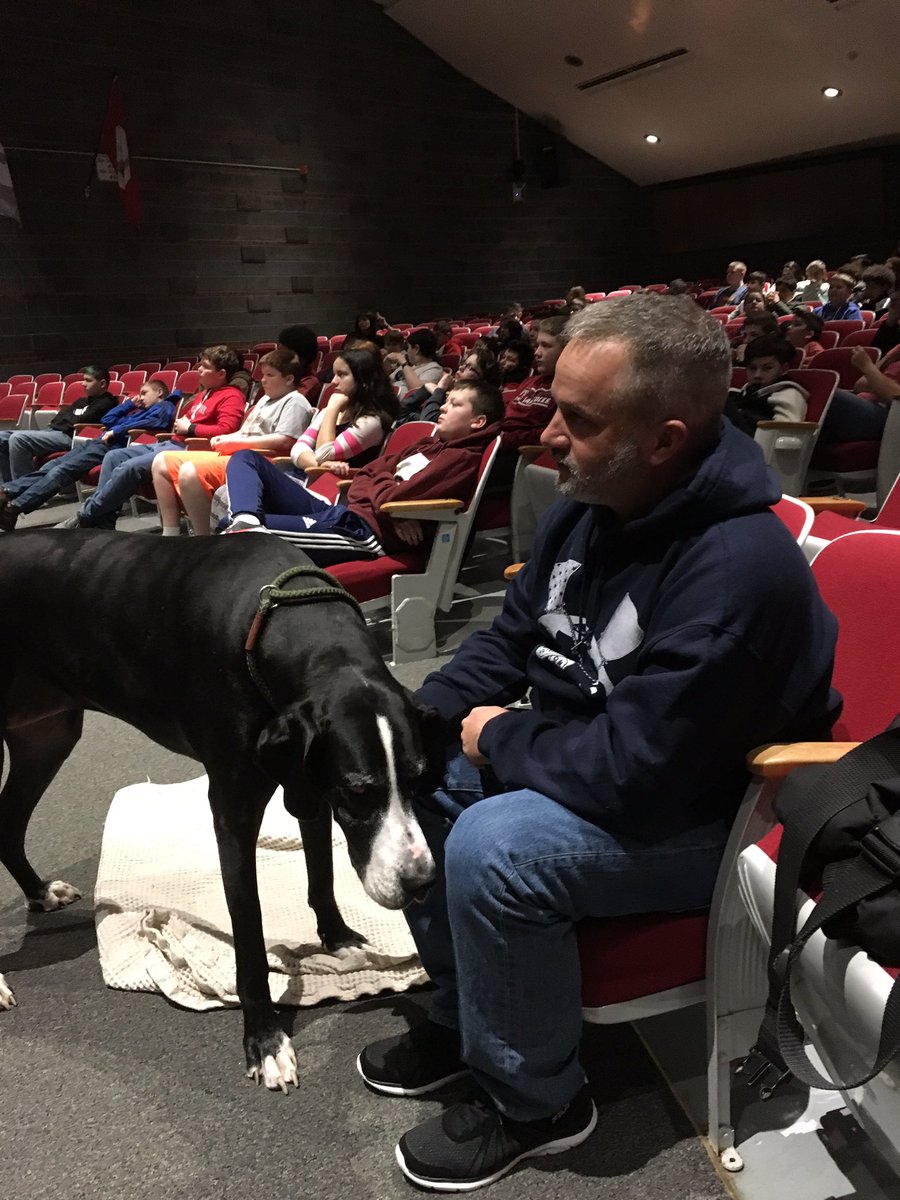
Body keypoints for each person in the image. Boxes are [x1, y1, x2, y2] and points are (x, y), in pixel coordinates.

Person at [353, 293, 840, 1192]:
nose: (546, 438)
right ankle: (474, 1020)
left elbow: (636, 773)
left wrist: (501, 735)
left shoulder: (735, 573)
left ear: (665, 438)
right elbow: (515, 637)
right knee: (411, 780)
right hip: (603, 758)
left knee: (498, 850)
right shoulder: (598, 499)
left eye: (579, 421)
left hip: (717, 811)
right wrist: (418, 719)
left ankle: (536, 1101)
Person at [220, 379, 503, 565]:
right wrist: (389, 502)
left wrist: (388, 504)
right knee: (246, 458)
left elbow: (388, 495)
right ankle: (247, 519)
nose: (441, 406)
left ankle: (244, 534)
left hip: (364, 534)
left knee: (229, 534)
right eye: (447, 400)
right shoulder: (428, 443)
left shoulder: (459, 458)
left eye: (455, 404)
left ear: (478, 421)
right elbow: (369, 473)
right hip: (346, 514)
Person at [57, 345, 245, 530]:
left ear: (221, 374)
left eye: (205, 366)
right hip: (169, 443)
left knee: (129, 468)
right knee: (114, 456)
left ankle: (85, 515)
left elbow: (226, 429)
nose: (199, 369)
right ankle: (103, 523)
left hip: (187, 449)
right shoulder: (203, 394)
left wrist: (191, 428)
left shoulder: (232, 396)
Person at [150, 348, 315, 536]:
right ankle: (170, 533)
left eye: (270, 375)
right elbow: (245, 432)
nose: (263, 380)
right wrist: (229, 438)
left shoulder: (296, 401)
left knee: (189, 471)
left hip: (259, 463)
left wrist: (237, 444)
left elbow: (285, 441)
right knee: (161, 461)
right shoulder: (265, 400)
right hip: (239, 454)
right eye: (263, 375)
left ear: (289, 379)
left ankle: (204, 537)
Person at [0, 380, 174, 531]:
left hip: (114, 447)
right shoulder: (136, 410)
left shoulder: (165, 406)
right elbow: (106, 420)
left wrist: (116, 431)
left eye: (144, 393)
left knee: (62, 471)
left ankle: (14, 507)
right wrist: (128, 405)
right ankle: (9, 492)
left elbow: (157, 422)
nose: (141, 397)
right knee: (52, 466)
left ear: (159, 392)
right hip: (98, 443)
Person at [0, 365, 116, 483]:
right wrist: (69, 419)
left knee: (18, 439)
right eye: (83, 379)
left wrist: (67, 420)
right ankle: (4, 487)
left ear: (102, 384)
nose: (83, 384)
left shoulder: (107, 402)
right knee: (1, 437)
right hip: (55, 432)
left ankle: (20, 488)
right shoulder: (81, 401)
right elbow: (59, 417)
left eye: (88, 380)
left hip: (71, 436)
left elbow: (80, 420)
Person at [724, 334, 808, 436]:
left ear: (784, 369)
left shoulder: (788, 394)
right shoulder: (745, 391)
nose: (757, 375)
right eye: (752, 368)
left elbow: (786, 434)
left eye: (767, 368)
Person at [819, 343, 900, 444]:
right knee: (816, 392)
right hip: (870, 404)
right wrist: (882, 386)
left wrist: (868, 367)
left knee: (826, 398)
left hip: (892, 417)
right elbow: (860, 384)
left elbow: (895, 397)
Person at [390, 330, 443, 399]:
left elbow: (417, 390)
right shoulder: (409, 365)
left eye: (408, 347)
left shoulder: (434, 369)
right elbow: (385, 382)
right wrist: (384, 366)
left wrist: (404, 364)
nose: (406, 352)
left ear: (416, 349)